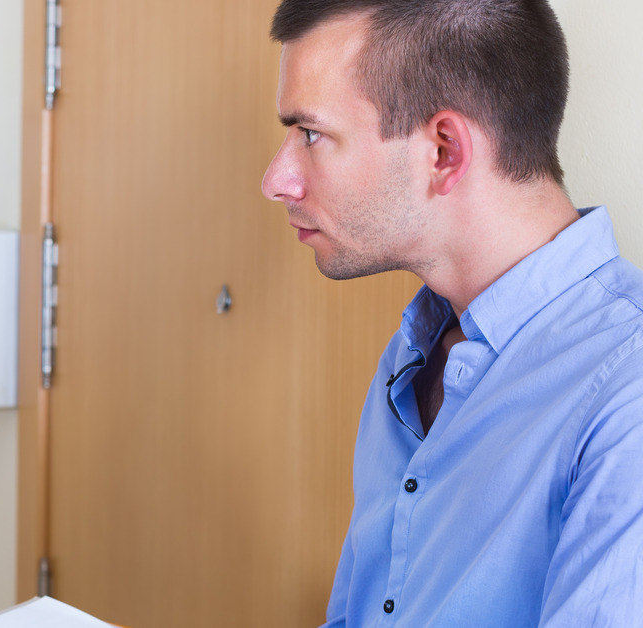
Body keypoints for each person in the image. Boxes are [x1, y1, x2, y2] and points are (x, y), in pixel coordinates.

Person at [261, 1, 643, 626]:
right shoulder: (409, 356)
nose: (277, 180)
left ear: (443, 151)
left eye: (310, 134)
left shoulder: (628, 395)